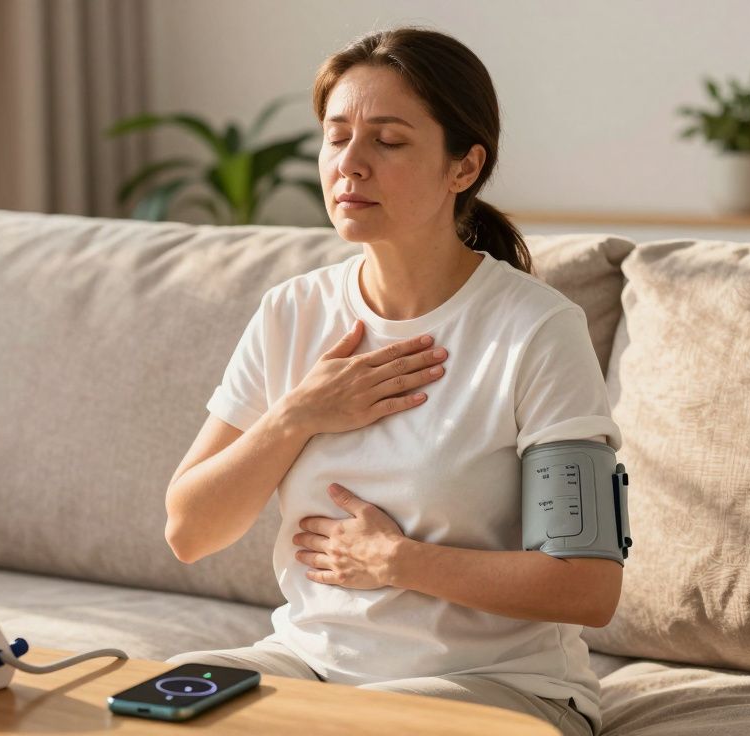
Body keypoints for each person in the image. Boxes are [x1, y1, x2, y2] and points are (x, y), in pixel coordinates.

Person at [163, 26, 619, 736]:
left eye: (388, 140)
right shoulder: (292, 313)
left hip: (496, 686)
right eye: (336, 135)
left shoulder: (533, 329)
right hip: (310, 666)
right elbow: (188, 529)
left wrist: (398, 561)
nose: (350, 163)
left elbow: (587, 587)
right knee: (152, 715)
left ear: (463, 167)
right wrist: (297, 416)